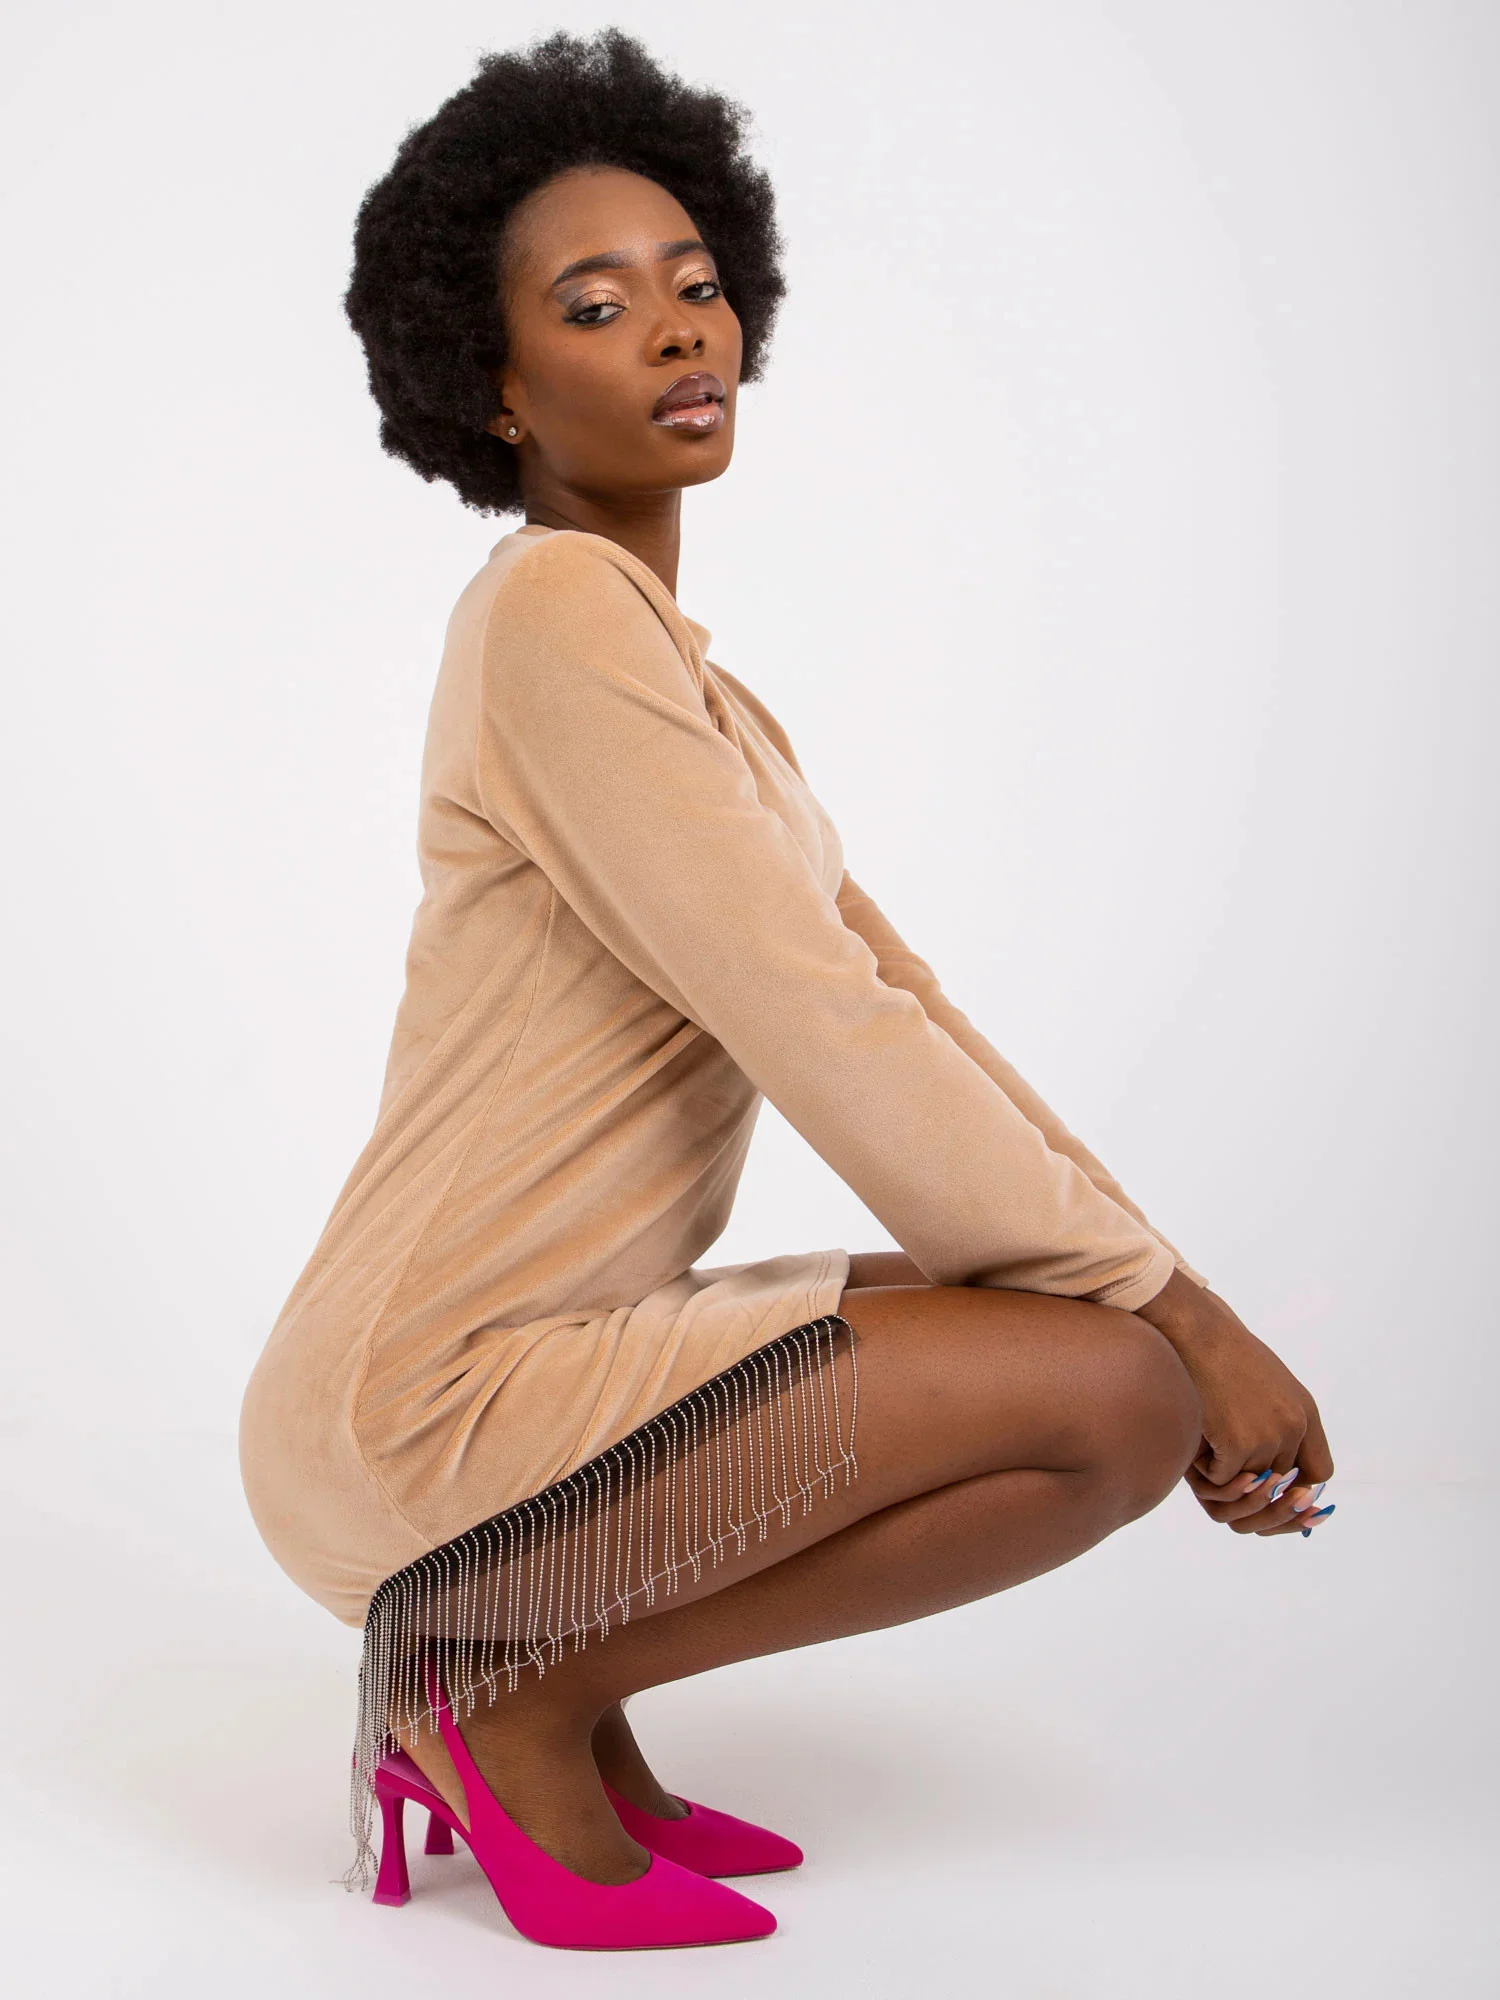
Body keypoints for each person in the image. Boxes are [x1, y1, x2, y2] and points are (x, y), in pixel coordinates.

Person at [238, 26, 1335, 1953]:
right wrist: (1177, 1323)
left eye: (696, 284)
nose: (679, 329)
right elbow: (824, 1029)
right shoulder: (556, 614)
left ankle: (551, 1703)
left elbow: (904, 1007)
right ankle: (514, 1695)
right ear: (493, 386)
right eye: (596, 306)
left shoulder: (693, 689)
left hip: (535, 1358)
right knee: (1109, 1393)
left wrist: (1182, 1288)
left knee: (1091, 1333)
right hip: (431, 1404)